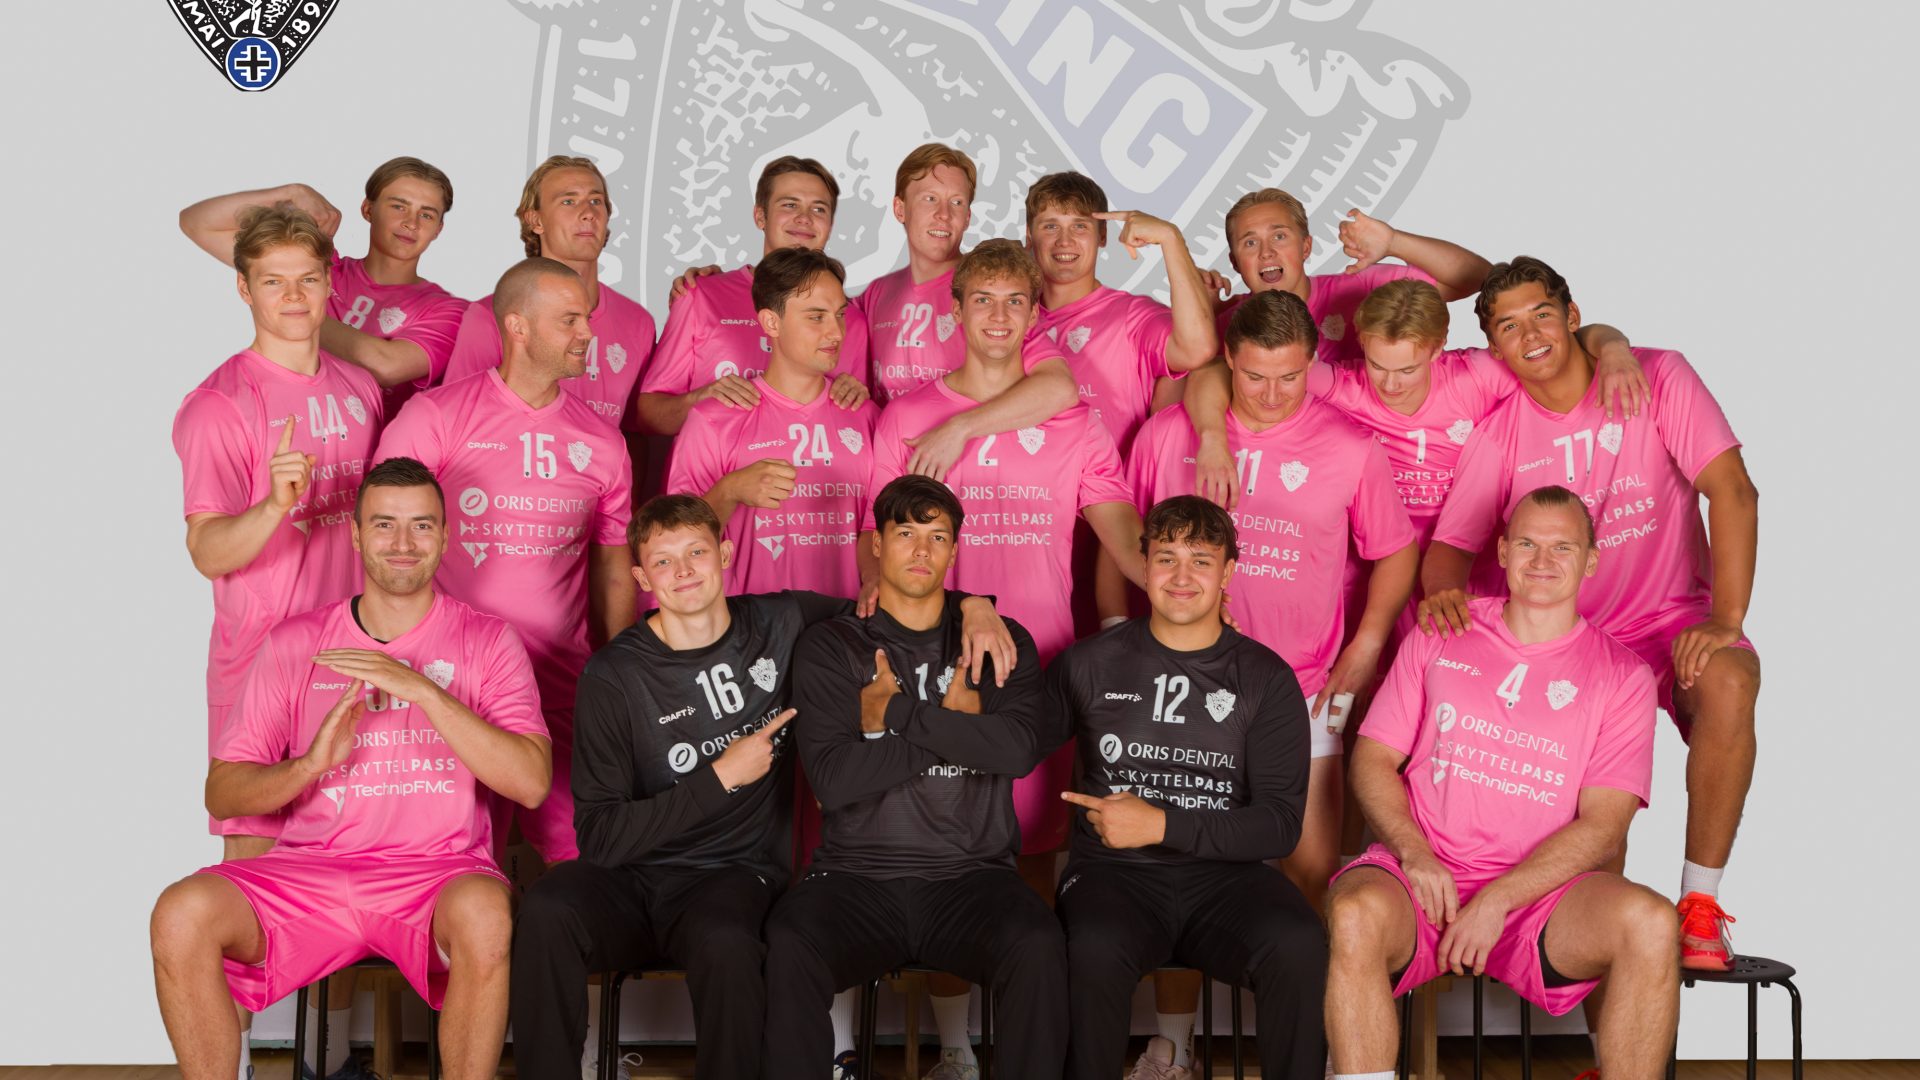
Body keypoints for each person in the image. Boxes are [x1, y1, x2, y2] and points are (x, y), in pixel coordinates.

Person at [510, 494, 1015, 1080]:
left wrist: (975, 605)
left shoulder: (782, 620)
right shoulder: (613, 675)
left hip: (732, 873)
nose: (684, 572)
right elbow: (599, 838)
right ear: (643, 578)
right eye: (664, 561)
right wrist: (720, 778)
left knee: (727, 942)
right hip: (629, 877)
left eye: (697, 552)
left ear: (725, 554)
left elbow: (901, 604)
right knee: (547, 909)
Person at [148, 458, 551, 1080]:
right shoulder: (296, 642)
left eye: (422, 525)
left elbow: (531, 782)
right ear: (357, 536)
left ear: (446, 536)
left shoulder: (488, 641)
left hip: (435, 874)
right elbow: (223, 792)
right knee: (180, 914)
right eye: (384, 524)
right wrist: (309, 766)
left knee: (486, 914)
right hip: (309, 873)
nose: (403, 542)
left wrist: (423, 691)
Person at [1422, 257, 1760, 968]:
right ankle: (1604, 1003)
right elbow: (1450, 548)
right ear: (1496, 348)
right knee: (1599, 849)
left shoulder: (1656, 377)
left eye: (1542, 315)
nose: (1530, 336)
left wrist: (1726, 620)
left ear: (1573, 316)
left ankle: (1700, 905)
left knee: (1730, 679)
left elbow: (1733, 490)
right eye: (1508, 327)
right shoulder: (1502, 433)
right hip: (1572, 645)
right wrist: (1444, 594)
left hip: (1669, 620)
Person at [1326, 486, 1678, 1080]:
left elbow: (1605, 822)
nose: (1542, 560)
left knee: (1652, 923)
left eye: (1562, 547)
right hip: (1424, 876)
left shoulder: (1623, 676)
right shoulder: (1440, 632)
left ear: (1591, 561)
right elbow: (1373, 758)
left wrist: (1499, 898)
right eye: (1527, 544)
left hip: (1541, 896)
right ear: (1503, 552)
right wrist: (1414, 853)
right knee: (1354, 913)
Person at [765, 476, 1067, 1079]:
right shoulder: (833, 646)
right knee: (789, 942)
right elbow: (835, 780)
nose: (922, 550)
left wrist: (900, 714)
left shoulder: (1000, 642)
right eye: (905, 533)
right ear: (876, 545)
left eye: (938, 537)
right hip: (856, 878)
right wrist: (960, 730)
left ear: (955, 550)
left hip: (972, 878)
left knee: (1038, 945)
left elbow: (1016, 753)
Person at [1129, 289, 1416, 915]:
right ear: (1229, 359)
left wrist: (1367, 643)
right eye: (1255, 375)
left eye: (1289, 376)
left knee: (1311, 871)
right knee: (1172, 870)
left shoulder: (1352, 447)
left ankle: (1300, 983)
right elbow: (1125, 539)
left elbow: (1396, 550)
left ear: (1311, 362)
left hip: (1303, 684)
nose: (1271, 393)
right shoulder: (1166, 435)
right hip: (1179, 684)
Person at [1051, 495, 1324, 1080]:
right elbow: (1013, 743)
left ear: (1227, 572)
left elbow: (1279, 825)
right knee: (1090, 948)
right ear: (1144, 564)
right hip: (1113, 875)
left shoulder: (1266, 677)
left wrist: (1160, 824)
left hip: (1225, 879)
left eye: (1200, 561)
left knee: (1298, 941)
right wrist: (973, 617)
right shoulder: (1088, 663)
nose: (1181, 576)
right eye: (1166, 557)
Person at [375, 257, 637, 866]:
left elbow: (612, 564)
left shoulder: (603, 441)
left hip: (561, 684)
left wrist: (622, 670)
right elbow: (381, 537)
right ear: (517, 327)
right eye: (569, 320)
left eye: (587, 319)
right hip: (452, 683)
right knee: (453, 864)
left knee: (583, 861)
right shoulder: (436, 416)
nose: (588, 334)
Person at [667, 246, 878, 598]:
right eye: (816, 317)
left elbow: (885, 530)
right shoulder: (713, 420)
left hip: (846, 625)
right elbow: (675, 542)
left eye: (840, 314)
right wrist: (729, 491)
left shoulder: (866, 416)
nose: (837, 332)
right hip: (749, 626)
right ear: (771, 323)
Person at [179, 158, 468, 413]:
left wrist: (291, 313)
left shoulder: (450, 311)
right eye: (398, 206)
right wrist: (290, 193)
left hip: (375, 455)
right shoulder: (315, 267)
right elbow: (197, 223)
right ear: (368, 209)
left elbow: (387, 366)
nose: (411, 223)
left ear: (438, 229)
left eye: (427, 214)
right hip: (283, 433)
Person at [636, 156, 869, 436]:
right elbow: (647, 415)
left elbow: (857, 428)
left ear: (830, 224)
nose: (805, 218)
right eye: (789, 205)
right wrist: (700, 400)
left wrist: (857, 396)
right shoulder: (702, 295)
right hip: (711, 463)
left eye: (819, 209)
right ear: (760, 216)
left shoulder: (852, 321)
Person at [443, 155, 658, 435]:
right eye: (568, 201)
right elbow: (455, 422)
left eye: (596, 201)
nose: (588, 213)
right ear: (535, 220)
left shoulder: (638, 322)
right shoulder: (490, 316)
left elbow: (637, 433)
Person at [856, 143, 978, 403]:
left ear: (967, 217)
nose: (944, 215)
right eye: (930, 199)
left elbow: (1043, 384)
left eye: (956, 202)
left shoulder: (991, 288)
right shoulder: (876, 294)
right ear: (900, 209)